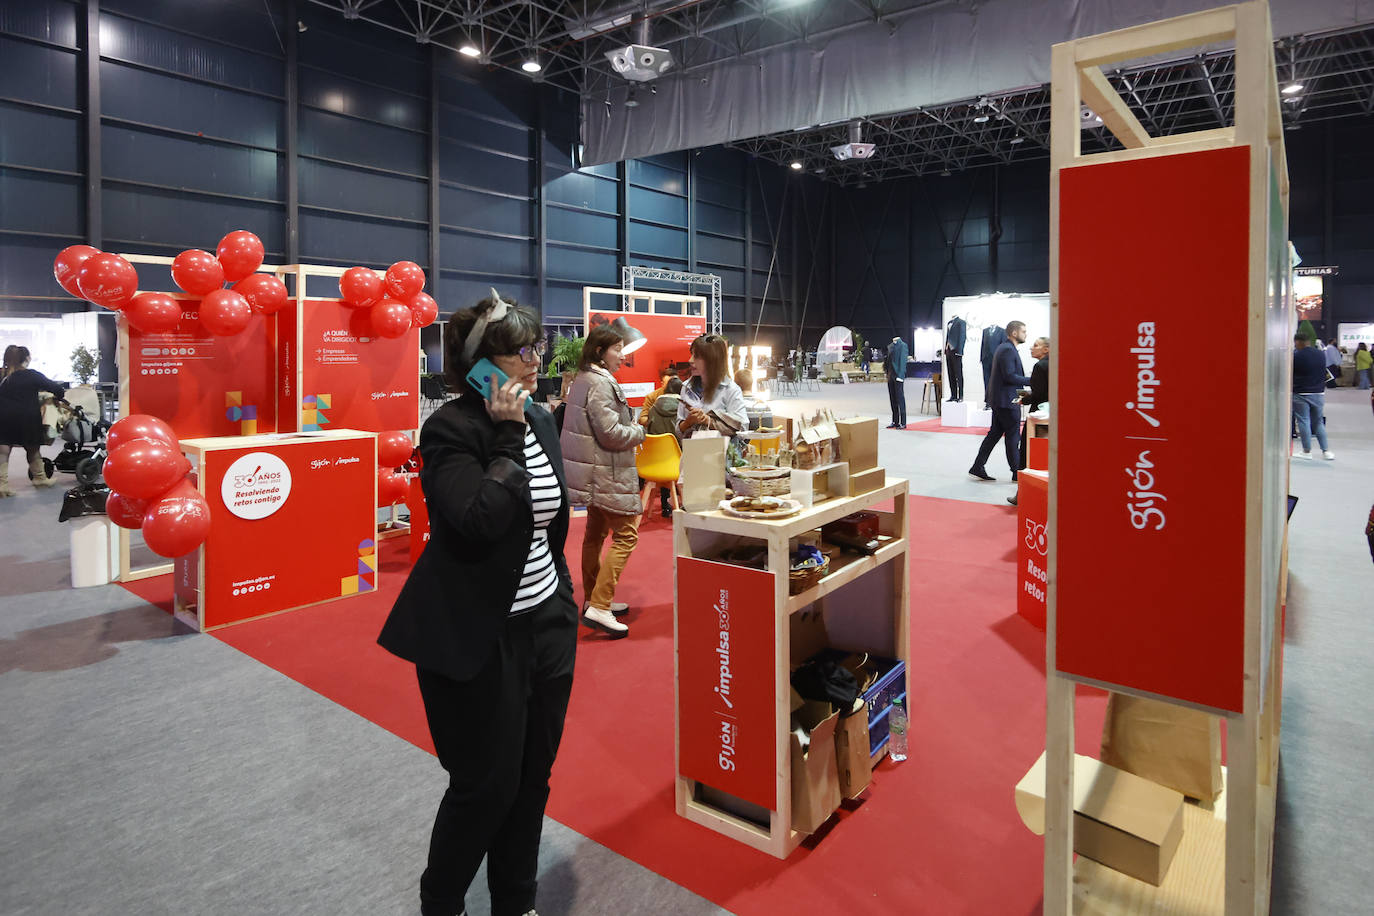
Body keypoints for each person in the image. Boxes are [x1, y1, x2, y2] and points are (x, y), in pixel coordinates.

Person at [377, 290, 577, 916]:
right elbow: (475, 521)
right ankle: (442, 904)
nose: (534, 360)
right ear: (481, 364)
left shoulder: (542, 417)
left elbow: (550, 523)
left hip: (546, 623)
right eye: (521, 351)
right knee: (485, 788)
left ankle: (515, 903)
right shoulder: (450, 430)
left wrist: (564, 601)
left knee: (531, 780)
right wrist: (507, 437)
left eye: (535, 346)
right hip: (478, 636)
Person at [561, 324, 646, 638]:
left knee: (594, 534)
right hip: (605, 472)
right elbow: (610, 433)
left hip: (592, 472)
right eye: (618, 349)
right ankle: (599, 604)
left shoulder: (583, 380)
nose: (623, 356)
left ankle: (595, 600)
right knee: (626, 535)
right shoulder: (600, 383)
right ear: (600, 351)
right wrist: (639, 432)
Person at [969, 321, 1031, 483]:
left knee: (994, 434)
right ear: (1014, 333)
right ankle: (1016, 471)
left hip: (1002, 400)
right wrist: (1033, 380)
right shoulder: (1007, 350)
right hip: (1006, 401)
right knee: (1012, 436)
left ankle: (978, 466)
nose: (1026, 334)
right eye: (1023, 331)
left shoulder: (1005, 349)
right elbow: (1010, 376)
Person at [0, 345, 66, 497]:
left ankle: (1, 486)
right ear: (27, 358)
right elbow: (56, 389)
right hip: (26, 417)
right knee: (32, 448)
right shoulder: (31, 375)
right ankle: (40, 478)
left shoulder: (3, 374)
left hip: (3, 415)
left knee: (3, 450)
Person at [677, 334, 748, 438]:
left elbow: (743, 429)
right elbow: (678, 432)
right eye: (691, 354)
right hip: (691, 452)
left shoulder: (730, 389)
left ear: (712, 360)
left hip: (721, 452)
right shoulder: (686, 388)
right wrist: (688, 422)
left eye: (696, 356)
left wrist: (708, 421)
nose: (690, 360)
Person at [1008, 336, 1050, 506]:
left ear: (1046, 349)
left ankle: (1024, 494)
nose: (1032, 348)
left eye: (1036, 345)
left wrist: (1023, 400)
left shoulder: (1040, 366)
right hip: (1050, 415)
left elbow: (1038, 394)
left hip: (1038, 415)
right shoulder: (1055, 364)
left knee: (1028, 454)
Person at [643, 377, 683, 517]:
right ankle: (683, 504)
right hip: (678, 464)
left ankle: (665, 505)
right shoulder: (683, 409)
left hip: (655, 463)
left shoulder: (653, 409)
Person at [1293, 332, 1335, 460]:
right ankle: (1326, 451)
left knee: (1304, 421)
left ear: (1298, 342)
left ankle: (1306, 451)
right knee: (1318, 422)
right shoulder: (1320, 354)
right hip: (1318, 392)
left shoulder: (1296, 356)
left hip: (1301, 392)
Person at [883, 335, 909, 428]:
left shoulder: (903, 345)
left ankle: (903, 422)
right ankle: (895, 421)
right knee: (892, 399)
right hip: (890, 375)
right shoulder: (890, 346)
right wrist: (887, 373)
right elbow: (887, 360)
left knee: (900, 399)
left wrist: (901, 375)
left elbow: (903, 361)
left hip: (898, 375)